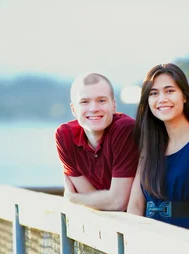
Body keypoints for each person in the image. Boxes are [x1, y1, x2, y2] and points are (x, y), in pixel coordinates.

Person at [127, 63, 189, 233]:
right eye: (153, 93)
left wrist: (188, 248)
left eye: (169, 91)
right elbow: (135, 205)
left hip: (186, 240)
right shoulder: (149, 144)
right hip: (145, 242)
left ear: (185, 96)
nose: (162, 99)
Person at [55, 72, 139, 211]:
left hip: (141, 221)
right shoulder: (65, 136)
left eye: (101, 100)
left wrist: (72, 198)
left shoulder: (125, 130)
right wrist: (102, 200)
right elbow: (91, 197)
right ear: (73, 109)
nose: (93, 109)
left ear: (113, 105)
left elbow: (118, 202)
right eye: (84, 102)